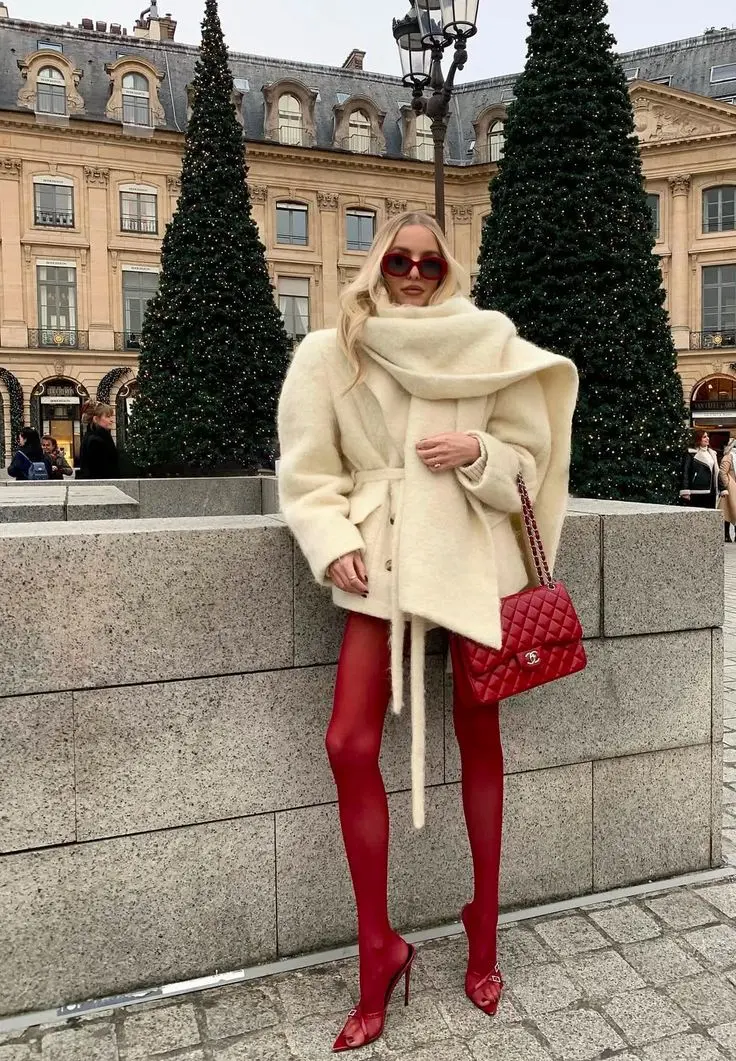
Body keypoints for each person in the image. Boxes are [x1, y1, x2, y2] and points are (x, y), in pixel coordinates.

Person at [277, 211, 578, 1052]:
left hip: (473, 556)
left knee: (481, 729)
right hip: (381, 555)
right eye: (400, 260)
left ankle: (485, 928)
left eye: (430, 263)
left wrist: (479, 450)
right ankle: (378, 946)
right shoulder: (331, 350)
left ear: (450, 271)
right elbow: (307, 470)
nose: (414, 274)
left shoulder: (489, 340)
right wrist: (331, 538)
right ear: (378, 263)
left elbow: (529, 463)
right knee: (348, 741)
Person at [77, 401, 119, 479]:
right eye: (107, 416)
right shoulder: (96, 441)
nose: (112, 420)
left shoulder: (95, 437)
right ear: (96, 419)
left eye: (111, 416)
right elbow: (101, 471)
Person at [681, 430, 720, 510]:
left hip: (711, 492)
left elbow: (716, 472)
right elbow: (685, 472)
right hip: (696, 491)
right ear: (698, 439)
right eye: (704, 437)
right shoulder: (691, 453)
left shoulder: (712, 453)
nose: (707, 438)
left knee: (709, 515)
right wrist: (685, 490)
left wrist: (722, 488)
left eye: (707, 436)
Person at [720, 438, 736, 543]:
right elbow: (722, 472)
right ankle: (726, 534)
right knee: (728, 512)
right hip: (730, 488)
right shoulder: (728, 457)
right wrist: (727, 484)